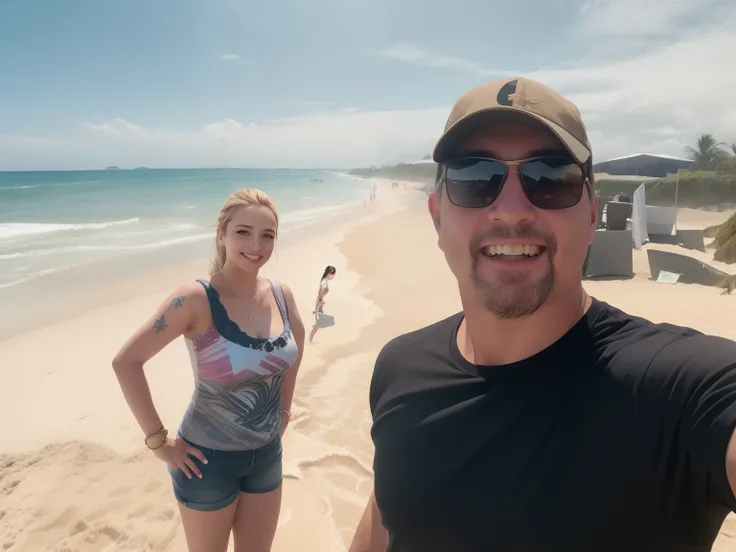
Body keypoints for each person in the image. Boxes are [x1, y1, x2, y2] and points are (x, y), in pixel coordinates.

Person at [348, 77, 736, 552]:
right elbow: (385, 516)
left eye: (550, 178)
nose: (511, 210)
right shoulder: (399, 368)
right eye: (474, 178)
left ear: (592, 213)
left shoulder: (678, 390)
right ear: (437, 217)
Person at [112, 188, 305, 552]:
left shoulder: (282, 295)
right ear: (221, 235)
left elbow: (296, 347)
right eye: (243, 232)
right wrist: (158, 441)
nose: (256, 245)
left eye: (268, 235)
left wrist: (283, 409)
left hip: (267, 455)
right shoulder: (195, 300)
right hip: (205, 462)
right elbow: (127, 362)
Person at [309, 265, 336, 343]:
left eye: (333, 274)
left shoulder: (324, 280)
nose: (333, 276)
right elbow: (320, 295)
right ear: (328, 273)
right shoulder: (324, 283)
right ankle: (310, 338)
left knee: (320, 322)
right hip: (319, 304)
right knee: (321, 322)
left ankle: (310, 338)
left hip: (319, 304)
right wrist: (319, 305)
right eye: (332, 274)